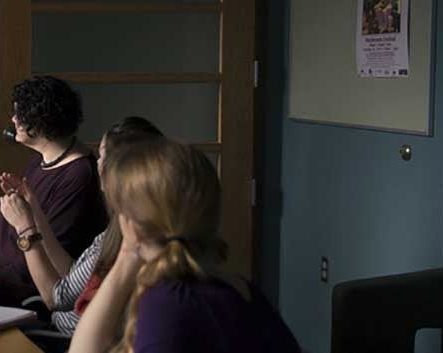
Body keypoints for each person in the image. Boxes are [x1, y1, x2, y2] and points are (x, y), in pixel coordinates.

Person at [69, 138, 300, 353]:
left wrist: (128, 253)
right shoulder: (241, 290)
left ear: (130, 224)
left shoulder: (166, 303)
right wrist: (129, 254)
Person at [1, 117, 163, 337]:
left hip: (62, 339)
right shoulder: (121, 227)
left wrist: (25, 229)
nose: (97, 162)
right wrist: (34, 209)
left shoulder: (125, 237)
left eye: (102, 155)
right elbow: (70, 272)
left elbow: (53, 298)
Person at [0, 75, 108, 312]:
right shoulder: (39, 163)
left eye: (19, 113)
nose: (13, 119)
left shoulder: (78, 175)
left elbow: (46, 254)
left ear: (40, 120)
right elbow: (3, 229)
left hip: (21, 291)